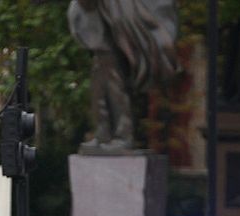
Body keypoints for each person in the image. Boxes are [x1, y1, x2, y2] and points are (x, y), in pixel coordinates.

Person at [67, 0, 178, 152]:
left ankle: (122, 135)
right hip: (104, 35)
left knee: (112, 84)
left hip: (114, 32)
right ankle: (104, 133)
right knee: (99, 84)